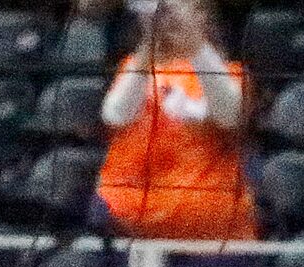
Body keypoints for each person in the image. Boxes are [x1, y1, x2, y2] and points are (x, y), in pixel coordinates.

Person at [94, 0, 256, 242]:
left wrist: (194, 46)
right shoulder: (134, 67)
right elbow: (115, 115)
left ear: (201, 16)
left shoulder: (229, 73)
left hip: (208, 236)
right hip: (125, 228)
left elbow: (230, 115)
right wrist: (148, 49)